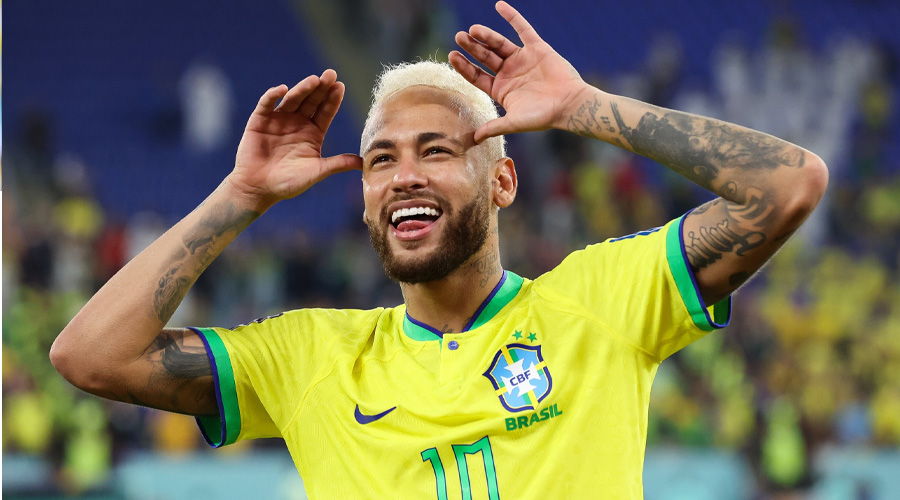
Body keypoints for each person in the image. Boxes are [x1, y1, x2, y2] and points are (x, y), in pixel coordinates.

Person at [50, 2, 828, 498]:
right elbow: (90, 356)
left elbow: (788, 185)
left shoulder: (600, 303)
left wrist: (584, 107)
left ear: (503, 182)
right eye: (381, 160)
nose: (404, 176)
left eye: (438, 150)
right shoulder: (310, 359)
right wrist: (239, 197)